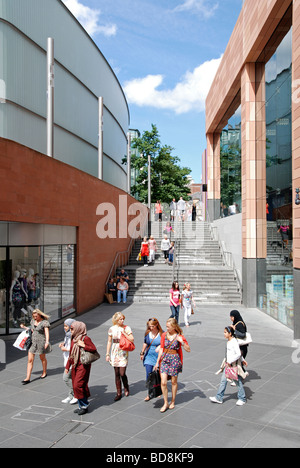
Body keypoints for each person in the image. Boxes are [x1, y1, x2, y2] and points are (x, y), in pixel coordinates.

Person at [154, 318, 190, 412]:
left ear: (174, 327)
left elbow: (188, 349)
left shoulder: (179, 336)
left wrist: (181, 342)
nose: (167, 328)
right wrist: (157, 362)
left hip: (174, 360)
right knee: (163, 382)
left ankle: (173, 401)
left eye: (168, 327)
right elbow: (161, 348)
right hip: (165, 359)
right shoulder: (164, 335)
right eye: (166, 326)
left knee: (174, 382)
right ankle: (165, 402)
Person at [210, 326, 247, 406]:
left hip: (233, 365)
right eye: (224, 332)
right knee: (223, 380)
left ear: (230, 333)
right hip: (228, 365)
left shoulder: (233, 342)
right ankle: (219, 398)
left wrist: (240, 360)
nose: (224, 334)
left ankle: (242, 398)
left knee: (238, 382)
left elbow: (238, 353)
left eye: (225, 332)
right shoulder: (229, 341)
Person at [65, 321, 97, 415]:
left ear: (79, 329)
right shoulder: (73, 338)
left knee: (77, 385)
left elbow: (93, 349)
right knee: (79, 385)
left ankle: (84, 405)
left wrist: (83, 345)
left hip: (83, 365)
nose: (70, 331)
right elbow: (71, 354)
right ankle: (81, 405)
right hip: (75, 365)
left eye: (72, 329)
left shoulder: (85, 338)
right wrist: (67, 366)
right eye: (70, 329)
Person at [106, 312, 134, 401]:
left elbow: (132, 339)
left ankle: (126, 386)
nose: (122, 320)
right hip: (114, 351)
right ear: (116, 320)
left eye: (123, 319)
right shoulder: (111, 329)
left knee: (122, 373)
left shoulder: (127, 328)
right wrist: (107, 354)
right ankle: (118, 392)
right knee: (116, 373)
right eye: (120, 319)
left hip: (123, 351)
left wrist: (124, 333)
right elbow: (109, 341)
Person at [20, 309, 51, 384]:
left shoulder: (44, 323)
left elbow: (47, 333)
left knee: (42, 358)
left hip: (41, 342)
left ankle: (44, 372)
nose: (35, 318)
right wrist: (24, 327)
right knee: (30, 360)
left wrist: (47, 342)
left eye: (36, 316)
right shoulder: (33, 321)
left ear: (40, 315)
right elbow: (32, 330)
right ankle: (27, 378)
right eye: (34, 316)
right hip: (33, 342)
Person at [140, 318, 164, 401]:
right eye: (149, 326)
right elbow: (145, 343)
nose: (151, 328)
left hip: (159, 357)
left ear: (156, 325)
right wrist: (142, 352)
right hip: (149, 356)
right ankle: (149, 393)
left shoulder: (162, 333)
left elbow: (165, 344)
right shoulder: (147, 333)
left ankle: (157, 391)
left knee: (157, 375)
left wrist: (160, 346)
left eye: (152, 326)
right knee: (148, 374)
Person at [59, 318, 78, 405]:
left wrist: (65, 349)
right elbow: (68, 344)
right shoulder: (67, 335)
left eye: (66, 326)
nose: (65, 328)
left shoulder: (72, 335)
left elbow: (73, 348)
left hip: (71, 361)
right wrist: (63, 344)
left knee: (66, 378)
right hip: (67, 360)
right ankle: (71, 395)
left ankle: (75, 394)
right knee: (71, 378)